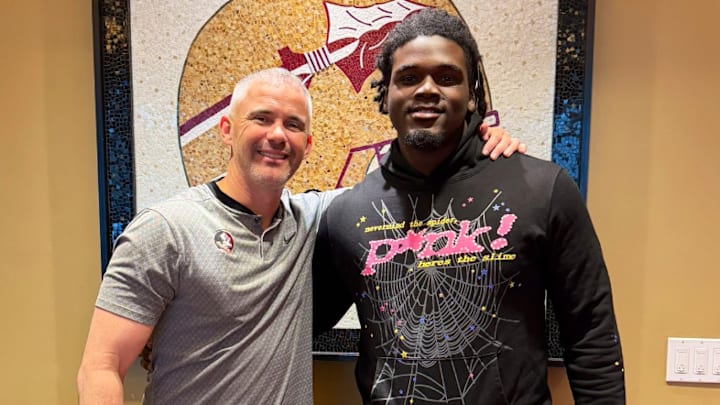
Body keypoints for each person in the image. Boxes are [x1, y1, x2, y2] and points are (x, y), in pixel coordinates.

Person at [77, 67, 522, 404]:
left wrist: (475, 143)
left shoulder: (317, 218)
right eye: (262, 118)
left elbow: (409, 186)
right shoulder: (165, 228)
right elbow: (101, 366)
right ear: (227, 130)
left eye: (292, 124)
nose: (277, 135)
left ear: (307, 146)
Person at [313, 8, 625, 405]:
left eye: (446, 77)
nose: (427, 89)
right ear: (385, 94)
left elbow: (591, 334)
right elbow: (296, 324)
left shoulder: (542, 189)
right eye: (408, 78)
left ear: (472, 93)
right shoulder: (347, 213)